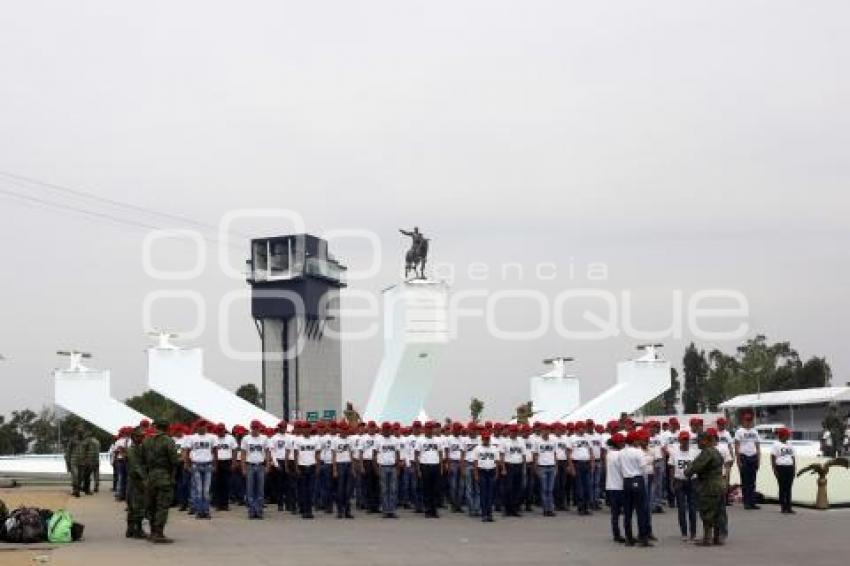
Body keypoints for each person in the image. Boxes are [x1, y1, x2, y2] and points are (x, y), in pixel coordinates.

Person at [685, 430, 725, 546]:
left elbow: (695, 467)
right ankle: (717, 538)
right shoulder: (716, 451)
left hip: (709, 485)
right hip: (718, 484)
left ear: (705, 441)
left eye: (699, 441)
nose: (697, 443)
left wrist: (688, 471)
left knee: (707, 511)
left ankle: (707, 539)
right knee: (717, 512)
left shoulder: (707, 452)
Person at [143, 420, 180, 544]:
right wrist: (173, 477)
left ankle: (153, 531)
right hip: (164, 476)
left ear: (156, 427)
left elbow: (143, 459)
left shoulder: (146, 440)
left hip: (150, 476)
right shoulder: (168, 440)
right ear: (167, 427)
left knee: (151, 505)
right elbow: (174, 461)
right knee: (162, 506)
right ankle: (159, 533)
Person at [619, 430, 652, 547]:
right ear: (634, 441)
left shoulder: (621, 452)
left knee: (627, 511)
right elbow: (644, 469)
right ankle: (643, 538)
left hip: (626, 481)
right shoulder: (638, 452)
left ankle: (629, 538)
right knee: (641, 511)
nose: (639, 441)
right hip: (637, 479)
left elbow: (620, 468)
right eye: (638, 439)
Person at [669, 431, 700, 542]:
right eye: (683, 439)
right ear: (679, 440)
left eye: (686, 439)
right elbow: (672, 468)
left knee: (692, 508)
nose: (685, 441)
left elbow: (698, 468)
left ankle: (693, 533)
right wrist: (672, 482)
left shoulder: (695, 453)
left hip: (692, 481)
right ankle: (684, 532)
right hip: (679, 481)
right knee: (681, 509)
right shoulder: (674, 453)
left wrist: (698, 482)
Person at [183, 421, 216, 519]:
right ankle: (199, 511)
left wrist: (215, 464)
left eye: (204, 426)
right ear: (197, 427)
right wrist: (187, 464)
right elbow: (187, 451)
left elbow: (215, 451)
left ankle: (206, 510)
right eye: (200, 426)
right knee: (199, 489)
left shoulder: (211, 437)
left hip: (208, 465)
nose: (202, 428)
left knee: (206, 490)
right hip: (196, 465)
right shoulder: (192, 438)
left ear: (206, 427)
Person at [241, 421, 270, 519]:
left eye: (256, 428)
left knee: (260, 489)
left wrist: (268, 465)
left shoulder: (264, 438)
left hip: (261, 465)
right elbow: (243, 453)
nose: (255, 430)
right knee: (250, 489)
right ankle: (252, 510)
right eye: (253, 428)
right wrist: (243, 467)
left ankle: (259, 510)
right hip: (250, 465)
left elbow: (267, 453)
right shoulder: (246, 438)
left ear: (259, 428)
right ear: (251, 428)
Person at [415, 422, 444, 518]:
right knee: (426, 489)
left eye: (431, 428)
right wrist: (418, 469)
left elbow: (440, 454)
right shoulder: (420, 440)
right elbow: (416, 455)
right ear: (425, 429)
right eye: (428, 428)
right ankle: (427, 510)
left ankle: (434, 510)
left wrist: (441, 467)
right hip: (425, 466)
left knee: (435, 490)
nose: (430, 430)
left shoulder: (438, 441)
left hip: (435, 466)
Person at [734, 411, 762, 510]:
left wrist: (759, 460)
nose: (749, 421)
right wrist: (738, 461)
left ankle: (752, 502)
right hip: (744, 456)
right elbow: (736, 446)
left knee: (753, 481)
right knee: (745, 481)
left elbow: (758, 446)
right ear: (743, 420)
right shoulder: (739, 431)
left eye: (750, 419)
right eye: (747, 419)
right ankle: (746, 502)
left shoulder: (754, 432)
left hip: (753, 456)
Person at [472, 431, 501, 522]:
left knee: (491, 494)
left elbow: (497, 462)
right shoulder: (477, 448)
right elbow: (475, 462)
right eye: (484, 438)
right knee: (483, 494)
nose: (486, 440)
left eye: (487, 438)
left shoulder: (494, 449)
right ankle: (484, 514)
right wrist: (476, 474)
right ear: (482, 439)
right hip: (482, 472)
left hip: (491, 472)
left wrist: (497, 473)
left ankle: (490, 514)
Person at [124, 427, 148, 539]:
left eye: (143, 436)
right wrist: (144, 479)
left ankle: (130, 530)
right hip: (135, 480)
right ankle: (137, 530)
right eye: (139, 436)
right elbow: (136, 466)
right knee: (137, 505)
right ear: (133, 437)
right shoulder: (132, 449)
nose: (141, 438)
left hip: (135, 479)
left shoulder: (140, 448)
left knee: (134, 506)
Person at [293, 423, 320, 519]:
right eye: (304, 428)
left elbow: (317, 454)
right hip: (302, 466)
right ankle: (304, 510)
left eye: (307, 428)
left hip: (312, 466)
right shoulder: (298, 440)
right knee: (303, 490)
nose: (306, 430)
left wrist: (318, 467)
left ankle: (309, 511)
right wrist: (296, 467)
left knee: (311, 490)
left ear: (310, 429)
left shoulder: (315, 440)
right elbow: (296, 454)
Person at [374, 422, 401, 518]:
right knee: (384, 490)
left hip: (393, 467)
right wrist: (376, 467)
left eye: (388, 429)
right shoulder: (378, 440)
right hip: (383, 467)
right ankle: (386, 510)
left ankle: (392, 510)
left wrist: (398, 467)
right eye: (385, 429)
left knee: (393, 489)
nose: (387, 430)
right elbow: (374, 454)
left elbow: (398, 454)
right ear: (382, 429)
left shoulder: (395, 440)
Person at [569, 421, 594, 515]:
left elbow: (591, 451)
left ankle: (586, 507)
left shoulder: (588, 438)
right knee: (579, 488)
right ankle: (580, 508)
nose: (583, 429)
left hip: (586, 464)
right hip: (577, 464)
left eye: (583, 427)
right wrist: (571, 467)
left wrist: (592, 464)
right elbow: (569, 454)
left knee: (587, 487)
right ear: (577, 428)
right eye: (581, 427)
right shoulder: (572, 438)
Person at [605, 433, 626, 543]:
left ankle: (616, 534)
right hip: (620, 486)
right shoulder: (620, 455)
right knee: (625, 512)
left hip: (611, 486)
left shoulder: (609, 454)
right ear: (617, 443)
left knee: (615, 513)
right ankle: (625, 533)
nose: (624, 444)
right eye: (622, 442)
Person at [533, 425, 558, 517]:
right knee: (544, 489)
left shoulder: (553, 441)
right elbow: (535, 455)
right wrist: (536, 467)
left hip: (551, 467)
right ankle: (545, 509)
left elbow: (555, 454)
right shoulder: (537, 442)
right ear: (542, 431)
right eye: (544, 430)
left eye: (548, 430)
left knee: (550, 490)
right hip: (542, 467)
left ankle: (550, 509)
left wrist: (556, 466)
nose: (546, 432)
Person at [332, 422, 355, 519]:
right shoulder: (335, 440)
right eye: (343, 429)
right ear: (340, 430)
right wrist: (334, 470)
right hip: (339, 464)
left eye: (346, 429)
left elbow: (351, 455)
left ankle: (347, 511)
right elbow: (334, 456)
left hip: (348, 464)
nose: (345, 431)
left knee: (348, 490)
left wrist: (353, 468)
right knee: (340, 490)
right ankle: (340, 511)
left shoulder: (350, 440)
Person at [501, 424, 525, 517]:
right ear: (509, 432)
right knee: (508, 488)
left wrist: (524, 468)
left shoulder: (521, 441)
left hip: (518, 465)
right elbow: (502, 456)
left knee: (517, 488)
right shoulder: (505, 442)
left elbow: (523, 456)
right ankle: (507, 509)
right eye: (512, 431)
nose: (514, 433)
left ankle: (515, 509)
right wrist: (503, 468)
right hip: (509, 466)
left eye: (515, 431)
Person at [771, 427, 796, 514]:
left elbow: (793, 457)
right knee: (782, 488)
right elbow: (773, 458)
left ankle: (789, 507)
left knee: (789, 488)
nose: (788, 436)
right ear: (782, 435)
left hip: (789, 467)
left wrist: (794, 468)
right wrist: (774, 470)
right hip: (781, 467)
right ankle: (783, 506)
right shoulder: (776, 445)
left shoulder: (790, 444)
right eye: (787, 435)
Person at [212, 424, 237, 512]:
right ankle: (218, 504)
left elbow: (234, 450)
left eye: (222, 430)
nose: (220, 432)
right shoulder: (214, 438)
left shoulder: (230, 438)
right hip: (217, 462)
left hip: (227, 461)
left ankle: (225, 504)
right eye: (219, 430)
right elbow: (212, 451)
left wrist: (233, 463)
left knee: (227, 484)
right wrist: (213, 464)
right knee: (217, 484)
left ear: (224, 430)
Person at [445, 423, 465, 513]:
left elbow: (463, 452)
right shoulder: (449, 439)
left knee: (461, 485)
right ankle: (453, 505)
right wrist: (447, 464)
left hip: (461, 462)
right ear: (454, 430)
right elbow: (447, 452)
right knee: (453, 485)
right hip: (452, 462)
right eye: (457, 429)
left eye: (460, 429)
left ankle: (459, 505)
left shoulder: (463, 439)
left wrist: (462, 464)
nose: (459, 430)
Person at [64, 426, 86, 498]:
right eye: (79, 431)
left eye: (82, 431)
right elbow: (68, 451)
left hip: (82, 462)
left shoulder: (85, 441)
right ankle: (76, 491)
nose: (81, 433)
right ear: (76, 432)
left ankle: (76, 489)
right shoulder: (72, 440)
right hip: (74, 461)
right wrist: (68, 462)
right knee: (75, 476)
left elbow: (87, 451)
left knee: (81, 477)